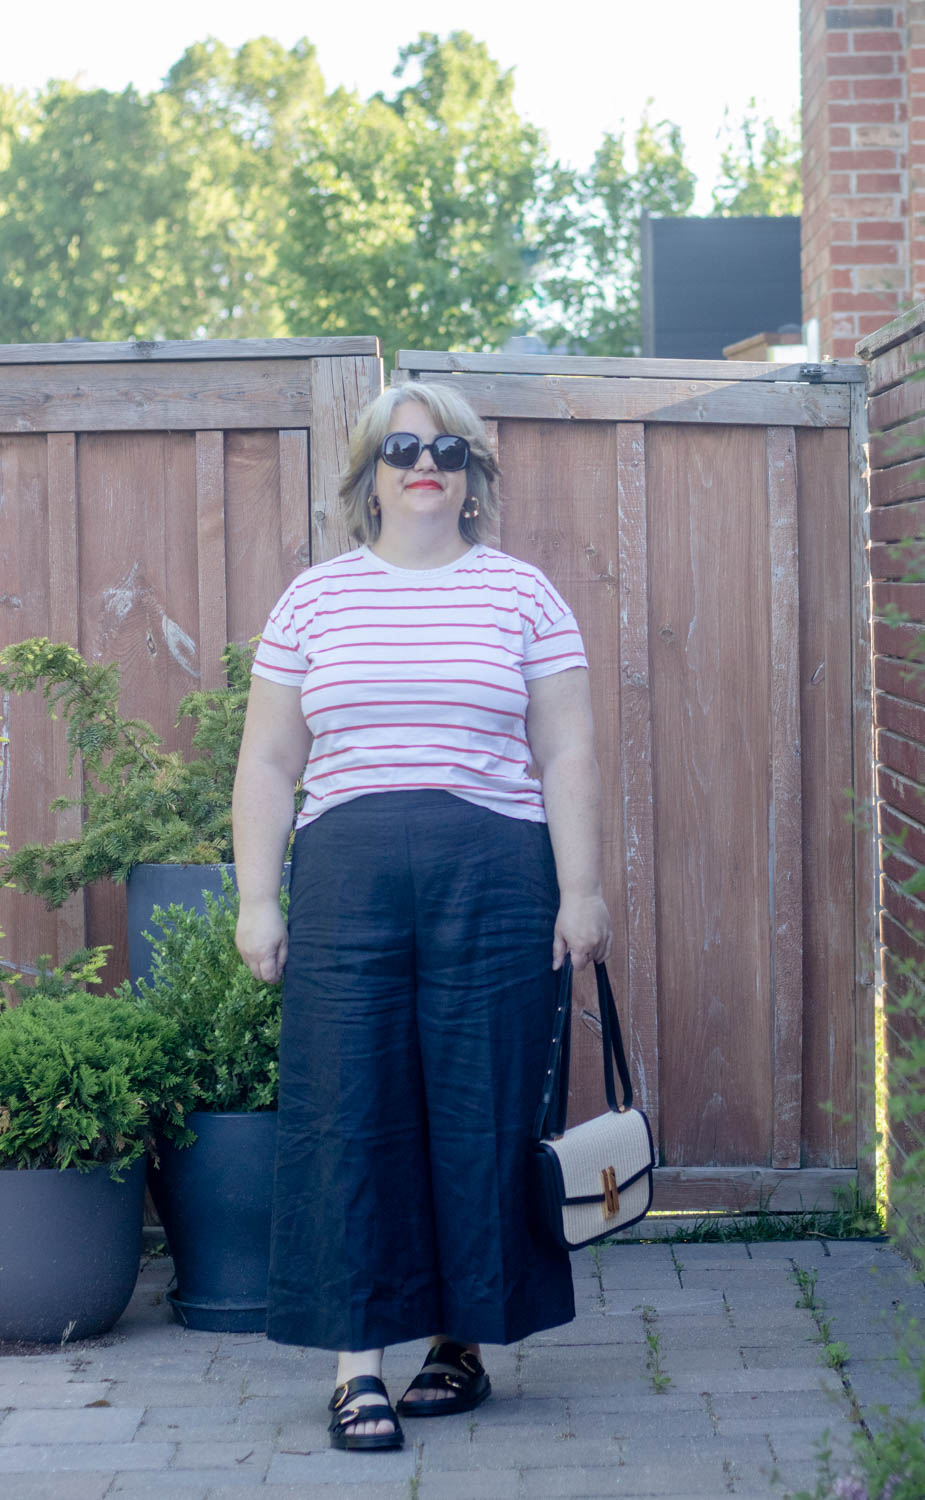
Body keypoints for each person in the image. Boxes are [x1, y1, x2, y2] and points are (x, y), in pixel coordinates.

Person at [232, 382, 612, 1453]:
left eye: (445, 447)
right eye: (400, 448)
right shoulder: (314, 600)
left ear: (472, 473)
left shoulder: (523, 594)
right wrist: (259, 897)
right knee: (348, 1103)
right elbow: (267, 760)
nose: (423, 463)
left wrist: (579, 889)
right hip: (348, 872)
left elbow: (566, 751)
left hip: (494, 873)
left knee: (481, 1107)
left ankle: (461, 1344)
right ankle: (358, 1365)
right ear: (369, 475)